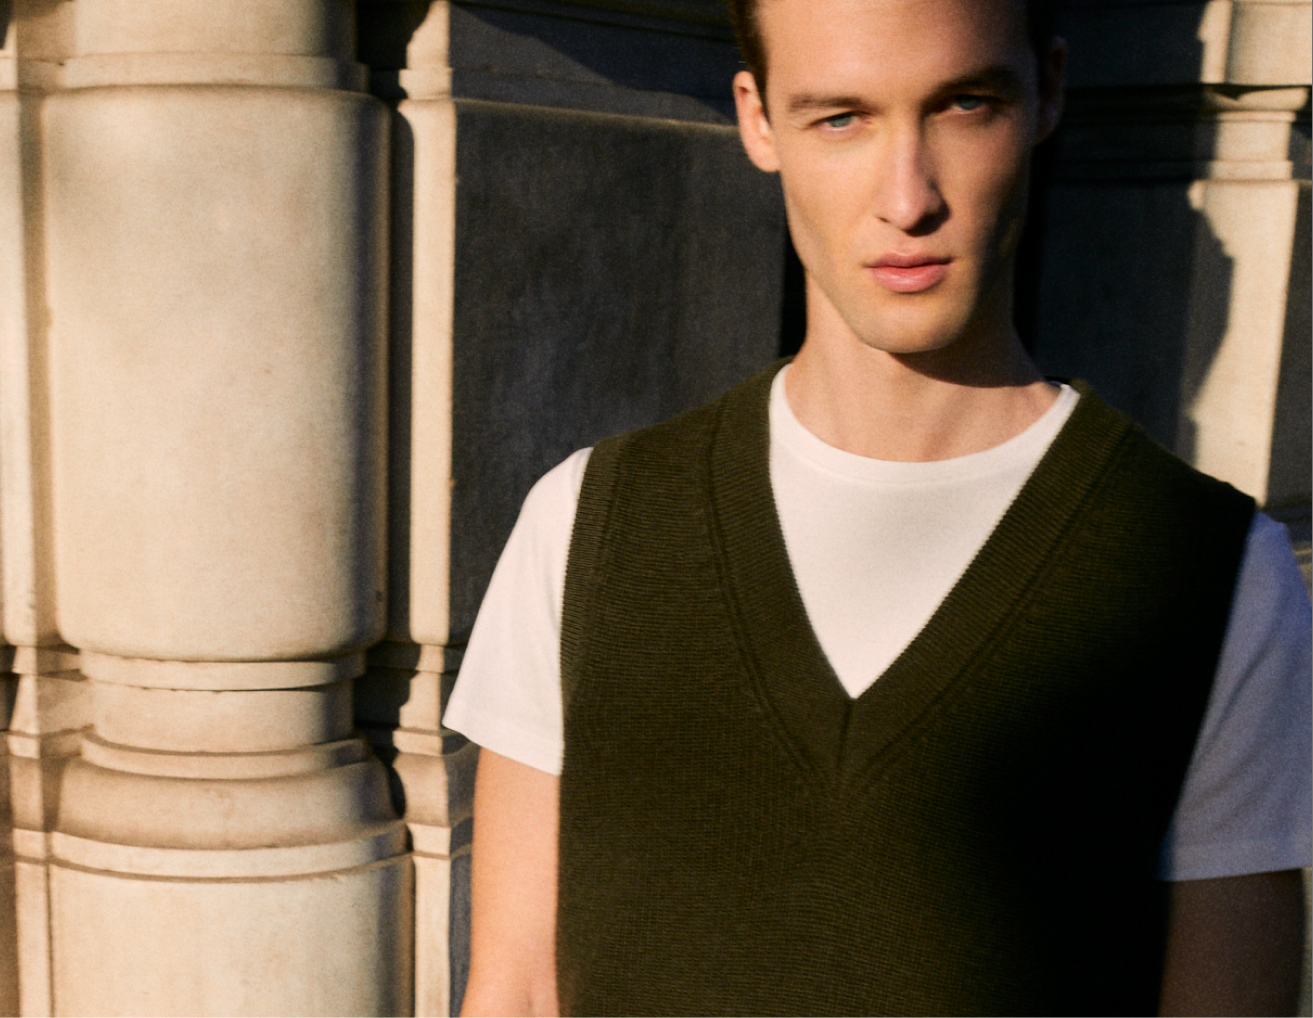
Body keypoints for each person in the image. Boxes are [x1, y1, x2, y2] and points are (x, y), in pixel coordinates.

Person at [442, 0, 1312, 1013]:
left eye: (963, 105)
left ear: (1046, 93)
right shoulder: (587, 525)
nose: (907, 199)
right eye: (840, 118)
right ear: (757, 118)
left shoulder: (1214, 574)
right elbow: (513, 991)